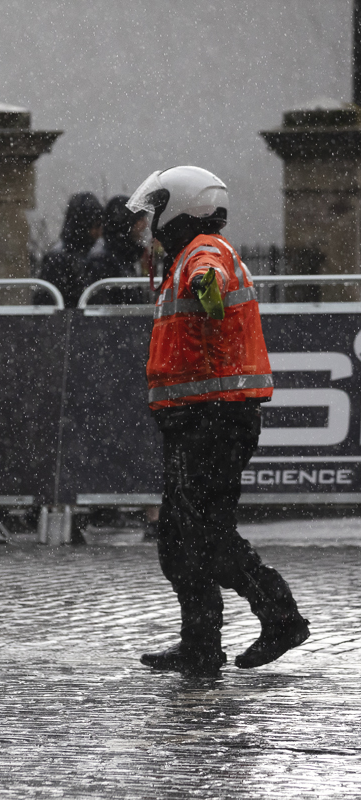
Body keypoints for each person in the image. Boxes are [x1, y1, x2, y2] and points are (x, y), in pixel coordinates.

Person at [127, 165, 309, 677]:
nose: (152, 222)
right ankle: (201, 646)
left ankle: (280, 615)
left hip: (215, 419)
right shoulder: (188, 255)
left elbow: (212, 283)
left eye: (158, 209)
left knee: (204, 536)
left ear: (182, 207)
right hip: (198, 419)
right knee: (180, 541)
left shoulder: (205, 254)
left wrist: (208, 294)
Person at [37, 192, 103, 308]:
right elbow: (47, 302)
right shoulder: (58, 258)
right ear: (84, 226)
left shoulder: (96, 254)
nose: (99, 232)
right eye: (96, 225)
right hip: (73, 322)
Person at [86, 194, 148, 305]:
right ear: (127, 223)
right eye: (139, 219)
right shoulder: (102, 260)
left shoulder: (125, 255)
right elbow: (101, 310)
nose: (144, 225)